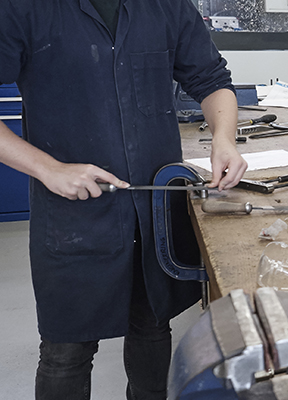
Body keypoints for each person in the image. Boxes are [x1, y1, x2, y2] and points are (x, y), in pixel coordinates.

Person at [0, 0, 247, 398]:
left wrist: (224, 139)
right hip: (73, 218)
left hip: (153, 214)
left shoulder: (167, 7)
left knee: (152, 326)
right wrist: (48, 169)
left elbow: (212, 80)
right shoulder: (23, 8)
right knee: (67, 349)